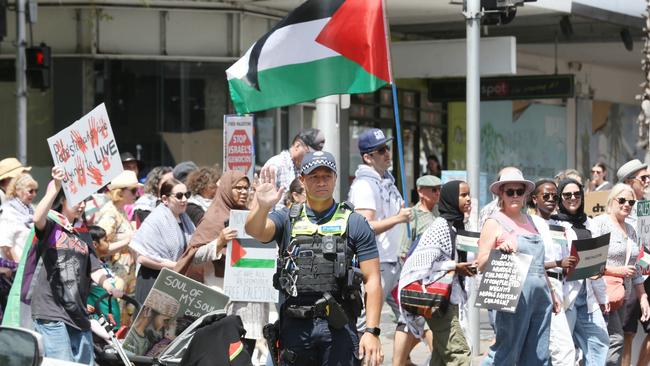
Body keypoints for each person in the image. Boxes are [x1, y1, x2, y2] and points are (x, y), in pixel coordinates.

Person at [245, 151, 383, 365]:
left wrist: (372, 331)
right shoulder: (287, 218)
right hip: (295, 326)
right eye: (314, 177)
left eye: (326, 176)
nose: (321, 182)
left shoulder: (354, 222)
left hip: (339, 326)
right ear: (302, 180)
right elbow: (256, 231)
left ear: (335, 178)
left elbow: (372, 279)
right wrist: (262, 206)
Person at [31, 166, 122, 364]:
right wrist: (55, 185)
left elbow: (95, 268)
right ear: (63, 200)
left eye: (84, 200)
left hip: (78, 313)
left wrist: (109, 286)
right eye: (76, 200)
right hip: (50, 309)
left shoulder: (83, 232)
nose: (81, 205)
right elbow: (37, 217)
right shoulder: (51, 226)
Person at [176, 170, 266, 356]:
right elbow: (193, 257)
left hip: (247, 302)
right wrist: (219, 242)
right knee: (220, 353)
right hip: (221, 300)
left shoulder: (249, 218)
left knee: (243, 353)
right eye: (238, 188)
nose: (243, 192)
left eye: (246, 188)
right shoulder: (212, 219)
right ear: (226, 189)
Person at [478, 170, 559, 365]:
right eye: (510, 192)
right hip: (512, 293)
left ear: (525, 195)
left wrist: (552, 291)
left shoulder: (531, 220)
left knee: (538, 354)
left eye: (519, 191)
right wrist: (499, 250)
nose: (515, 196)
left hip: (541, 296)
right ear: (501, 194)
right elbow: (480, 262)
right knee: (506, 352)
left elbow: (538, 264)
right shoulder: (494, 221)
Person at [399, 180, 475, 365]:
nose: (468, 199)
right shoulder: (440, 227)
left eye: (469, 194)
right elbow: (420, 265)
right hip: (440, 303)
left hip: (451, 299)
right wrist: (454, 267)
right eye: (463, 195)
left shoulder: (458, 225)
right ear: (450, 198)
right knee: (459, 355)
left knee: (440, 358)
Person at [348, 128, 412, 326]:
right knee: (366, 323)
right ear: (368, 157)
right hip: (377, 264)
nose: (387, 153)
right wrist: (398, 219)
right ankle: (357, 357)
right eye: (381, 150)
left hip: (395, 262)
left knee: (413, 317)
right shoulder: (364, 186)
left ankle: (403, 359)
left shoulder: (386, 182)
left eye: (387, 148)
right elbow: (364, 228)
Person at [549, 179, 609, 366]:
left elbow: (596, 260)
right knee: (564, 352)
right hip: (566, 296)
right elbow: (550, 258)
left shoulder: (590, 223)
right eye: (567, 195)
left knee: (599, 343)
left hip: (588, 296)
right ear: (560, 198)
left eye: (577, 194)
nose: (573, 198)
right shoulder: (552, 224)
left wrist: (602, 297)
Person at [590, 184, 650, 366]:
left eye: (630, 202)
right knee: (615, 338)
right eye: (622, 200)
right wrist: (617, 271)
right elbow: (590, 262)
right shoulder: (599, 223)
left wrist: (643, 296)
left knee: (613, 339)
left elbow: (636, 267)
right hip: (602, 292)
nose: (626, 205)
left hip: (622, 293)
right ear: (611, 201)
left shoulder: (631, 229)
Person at [393, 175, 441, 366]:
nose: (437, 193)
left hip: (434, 280)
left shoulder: (437, 215)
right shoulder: (411, 216)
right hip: (416, 282)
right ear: (421, 191)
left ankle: (404, 360)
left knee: (414, 326)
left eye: (439, 189)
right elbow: (404, 252)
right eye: (433, 190)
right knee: (416, 324)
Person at [529, 179, 578, 366]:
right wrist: (558, 263)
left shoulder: (558, 225)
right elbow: (532, 262)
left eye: (555, 196)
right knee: (564, 349)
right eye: (546, 196)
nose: (551, 199)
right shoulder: (530, 223)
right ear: (534, 199)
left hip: (561, 286)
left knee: (546, 348)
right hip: (543, 286)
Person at [130, 178, 195, 304]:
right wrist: (175, 265)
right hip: (153, 281)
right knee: (150, 324)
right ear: (165, 199)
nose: (185, 200)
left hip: (173, 281)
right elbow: (142, 258)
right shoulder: (155, 221)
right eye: (179, 196)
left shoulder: (186, 219)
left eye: (187, 195)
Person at [94, 170, 141, 326]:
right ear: (120, 192)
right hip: (113, 274)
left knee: (124, 318)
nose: (137, 194)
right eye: (133, 190)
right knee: (115, 316)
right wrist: (128, 240)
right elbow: (100, 247)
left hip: (124, 273)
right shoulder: (110, 213)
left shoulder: (119, 210)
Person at [616, 159, 650, 365]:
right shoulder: (618, 209)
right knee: (626, 332)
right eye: (643, 178)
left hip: (648, 274)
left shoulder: (648, 206)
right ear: (629, 182)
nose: (647, 181)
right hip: (628, 276)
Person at [263, 128, 325, 210]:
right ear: (297, 146)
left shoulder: (305, 167)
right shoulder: (276, 165)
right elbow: (264, 202)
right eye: (309, 153)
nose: (311, 158)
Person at [0, 172, 38, 261]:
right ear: (18, 190)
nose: (34, 194)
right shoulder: (7, 211)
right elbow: (6, 246)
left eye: (36, 191)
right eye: (30, 191)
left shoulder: (31, 210)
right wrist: (19, 266)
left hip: (30, 266)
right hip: (16, 269)